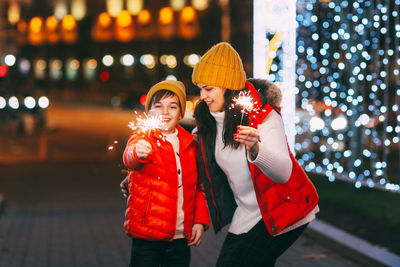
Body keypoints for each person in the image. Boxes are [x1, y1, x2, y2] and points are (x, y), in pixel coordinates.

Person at [191, 42, 319, 267]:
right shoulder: (207, 125)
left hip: (283, 209)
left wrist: (256, 149)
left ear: (227, 86)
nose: (203, 96)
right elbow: (194, 168)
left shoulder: (263, 117)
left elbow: (283, 172)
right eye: (200, 88)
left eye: (209, 89)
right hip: (248, 212)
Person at [122, 80, 210, 267]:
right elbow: (130, 158)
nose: (165, 112)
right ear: (149, 112)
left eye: (172, 106)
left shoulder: (190, 145)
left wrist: (200, 222)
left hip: (180, 239)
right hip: (147, 237)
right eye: (158, 106)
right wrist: (138, 152)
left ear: (180, 113)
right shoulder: (142, 139)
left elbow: (199, 188)